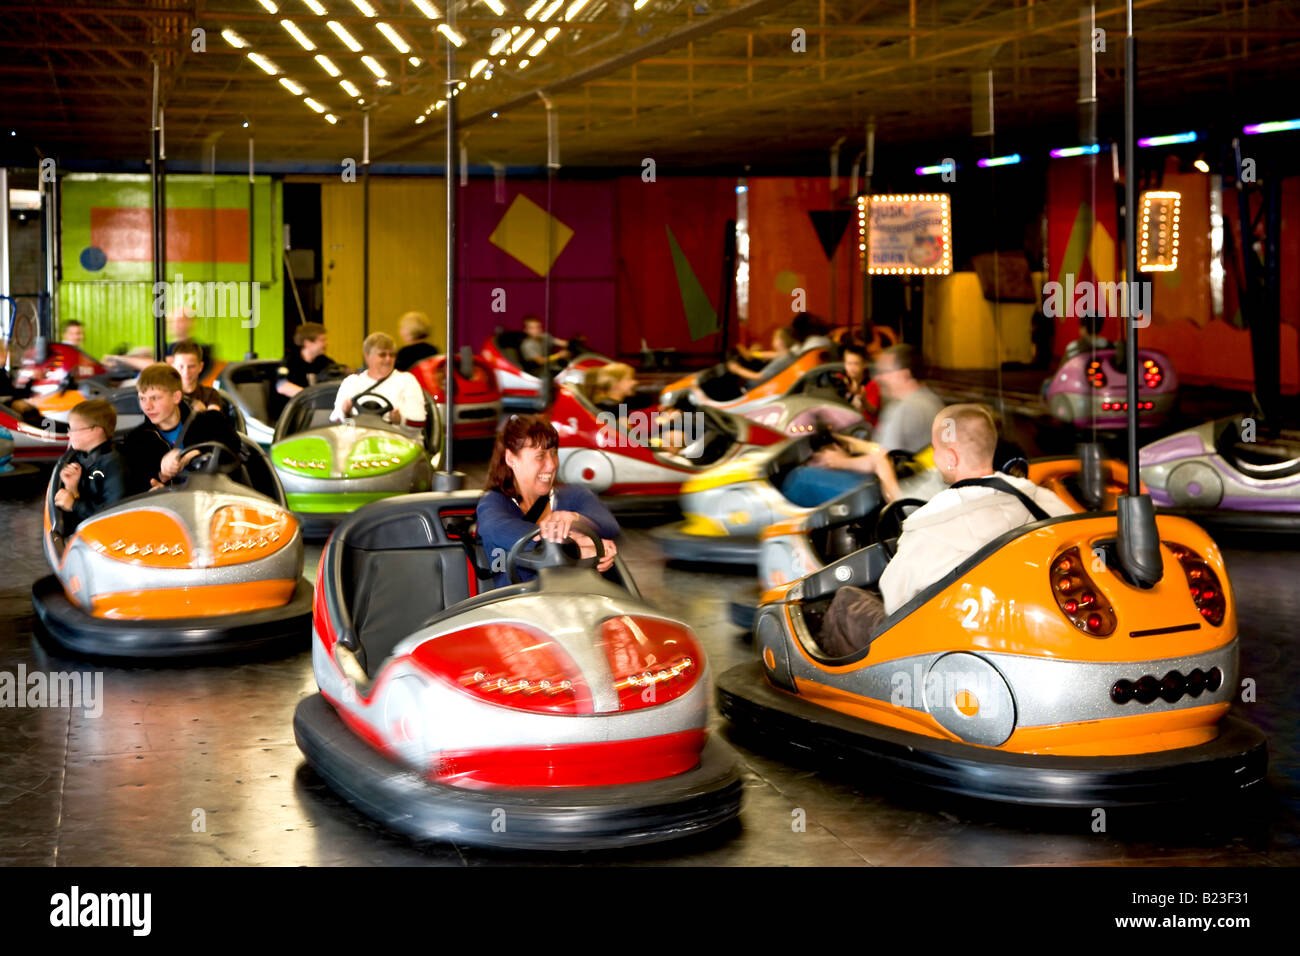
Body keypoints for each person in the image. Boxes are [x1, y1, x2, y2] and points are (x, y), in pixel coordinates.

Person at [818, 404, 1072, 657]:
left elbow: (895, 602)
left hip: (952, 648)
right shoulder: (1045, 500)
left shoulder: (929, 521)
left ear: (951, 459)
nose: (934, 455)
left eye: (935, 449)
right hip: (1028, 636)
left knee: (845, 601)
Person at [476, 414, 620, 589]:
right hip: (520, 608)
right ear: (511, 459)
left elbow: (609, 524)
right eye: (540, 455)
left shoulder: (573, 494)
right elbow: (500, 529)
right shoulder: (494, 504)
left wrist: (575, 519)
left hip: (578, 601)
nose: (551, 465)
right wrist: (577, 546)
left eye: (553, 453)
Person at [122, 363, 237, 495]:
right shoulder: (137, 440)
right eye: (142, 399)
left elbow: (233, 445)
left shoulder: (208, 421)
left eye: (155, 398)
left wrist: (191, 454)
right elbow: (136, 486)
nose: (147, 406)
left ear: (176, 397)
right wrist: (160, 483)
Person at [54, 399, 128, 535]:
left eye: (74, 429)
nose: (68, 434)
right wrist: (71, 488)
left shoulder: (114, 463)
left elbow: (114, 514)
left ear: (96, 431)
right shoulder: (80, 457)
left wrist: (74, 505)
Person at [331, 332, 426, 426]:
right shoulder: (351, 382)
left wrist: (401, 420)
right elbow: (336, 421)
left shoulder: (407, 380)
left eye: (392, 355)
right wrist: (345, 412)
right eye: (382, 355)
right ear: (367, 356)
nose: (388, 359)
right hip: (359, 437)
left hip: (397, 438)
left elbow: (419, 421)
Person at [272, 322, 334, 420]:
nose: (326, 343)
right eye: (322, 340)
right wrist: (313, 397)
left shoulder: (324, 361)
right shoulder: (290, 361)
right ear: (307, 343)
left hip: (315, 413)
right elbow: (282, 386)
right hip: (291, 415)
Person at [168, 340, 227, 414]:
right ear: (173, 366)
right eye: (181, 366)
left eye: (191, 366)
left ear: (200, 367)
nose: (186, 372)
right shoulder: (167, 394)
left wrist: (203, 412)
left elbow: (214, 420)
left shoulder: (210, 394)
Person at [726, 326, 797, 383]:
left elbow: (759, 376)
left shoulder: (782, 360)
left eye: (775, 337)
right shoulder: (786, 354)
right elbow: (765, 355)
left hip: (754, 387)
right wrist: (752, 353)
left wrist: (737, 369)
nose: (772, 338)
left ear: (782, 341)